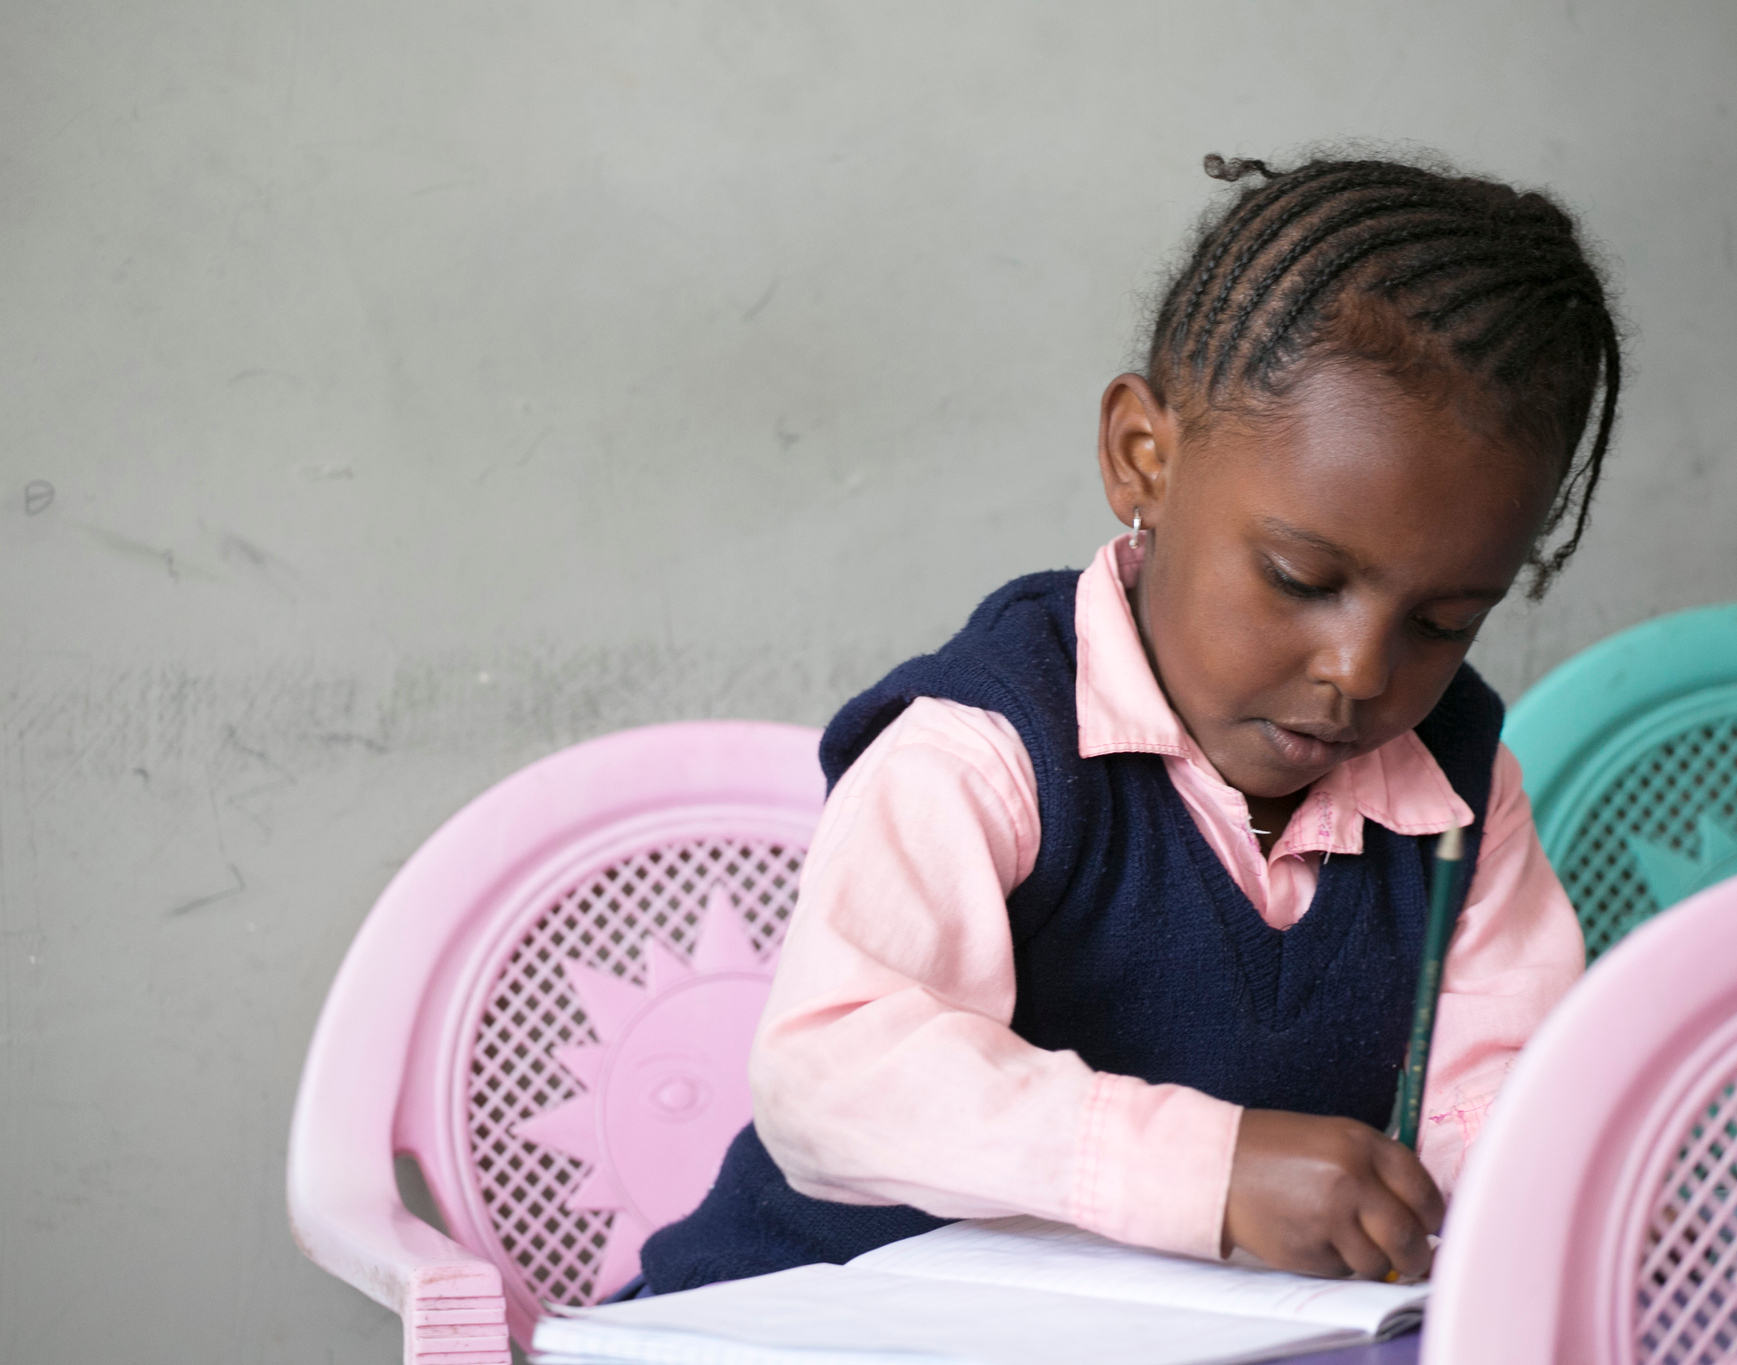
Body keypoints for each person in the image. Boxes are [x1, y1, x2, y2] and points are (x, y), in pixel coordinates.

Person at [642, 152, 1614, 1294]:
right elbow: (828, 1078)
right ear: (1141, 457)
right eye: (1300, 579)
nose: (1359, 671)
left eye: (1445, 622)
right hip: (804, 1322)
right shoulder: (986, 750)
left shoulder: (1454, 792)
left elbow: (1500, 1099)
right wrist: (1211, 1170)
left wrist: (1496, 1208)